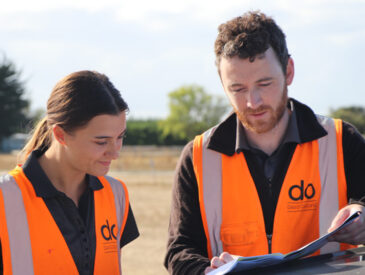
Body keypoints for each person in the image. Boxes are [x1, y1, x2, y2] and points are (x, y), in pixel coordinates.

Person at [164, 11, 365, 274]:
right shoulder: (198, 157)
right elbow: (179, 251)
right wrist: (208, 271)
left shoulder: (342, 140)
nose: (253, 101)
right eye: (238, 88)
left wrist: (361, 213)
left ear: (289, 71)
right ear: (223, 85)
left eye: (264, 83)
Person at [0, 71, 139, 275]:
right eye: (101, 141)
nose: (115, 152)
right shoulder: (5, 199)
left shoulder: (116, 193)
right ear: (60, 134)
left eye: (120, 137)